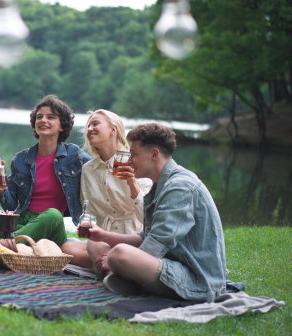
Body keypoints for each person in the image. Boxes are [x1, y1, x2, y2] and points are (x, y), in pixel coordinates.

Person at [90, 123, 227, 302]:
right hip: (169, 264)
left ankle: (124, 277)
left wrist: (115, 261)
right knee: (95, 244)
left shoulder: (180, 186)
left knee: (119, 254)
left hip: (197, 279)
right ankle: (125, 279)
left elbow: (157, 244)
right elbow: (145, 237)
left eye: (134, 155)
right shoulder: (161, 184)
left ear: (154, 154)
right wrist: (105, 235)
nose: (129, 162)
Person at [0, 95, 92, 249]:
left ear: (62, 125)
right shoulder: (21, 159)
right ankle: (17, 244)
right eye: (39, 117)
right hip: (23, 221)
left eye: (51, 117)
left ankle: (8, 245)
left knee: (53, 214)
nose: (43, 120)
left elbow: (98, 168)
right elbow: (10, 206)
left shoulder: (73, 155)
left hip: (51, 224)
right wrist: (0, 184)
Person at [61, 110, 152, 273]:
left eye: (95, 123)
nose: (89, 129)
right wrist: (88, 223)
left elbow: (148, 218)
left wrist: (132, 184)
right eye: (88, 125)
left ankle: (111, 270)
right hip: (104, 240)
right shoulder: (88, 170)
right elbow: (90, 210)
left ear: (113, 129)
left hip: (134, 237)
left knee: (97, 248)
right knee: (69, 247)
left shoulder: (134, 162)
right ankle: (119, 267)